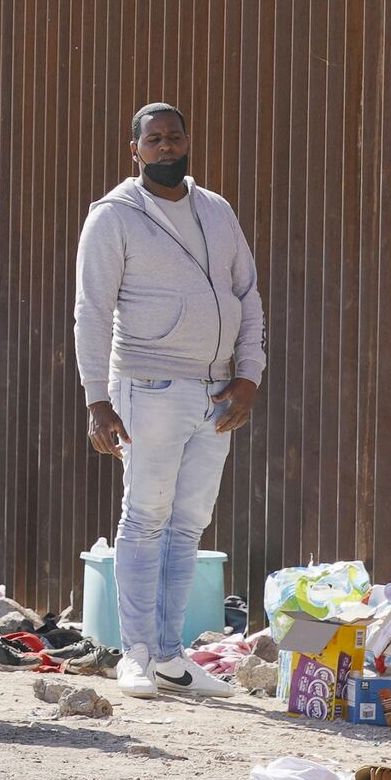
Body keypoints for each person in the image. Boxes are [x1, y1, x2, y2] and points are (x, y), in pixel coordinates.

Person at [68, 103, 266, 698]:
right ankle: (135, 654)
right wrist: (97, 400)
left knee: (189, 525)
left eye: (174, 136)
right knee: (146, 517)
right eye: (152, 140)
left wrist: (249, 374)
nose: (165, 147)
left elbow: (248, 295)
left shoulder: (217, 210)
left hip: (219, 392)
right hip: (147, 386)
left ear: (188, 142)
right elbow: (92, 311)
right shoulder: (113, 217)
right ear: (135, 150)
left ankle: (172, 656)